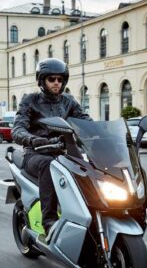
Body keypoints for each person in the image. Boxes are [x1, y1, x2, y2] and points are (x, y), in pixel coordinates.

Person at [12, 58, 91, 240]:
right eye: (52, 79)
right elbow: (17, 129)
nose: (56, 83)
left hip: (65, 153)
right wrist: (35, 140)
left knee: (89, 168)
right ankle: (49, 222)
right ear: (42, 81)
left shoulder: (69, 102)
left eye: (60, 79)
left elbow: (86, 122)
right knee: (50, 165)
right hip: (37, 154)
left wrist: (104, 135)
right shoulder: (30, 101)